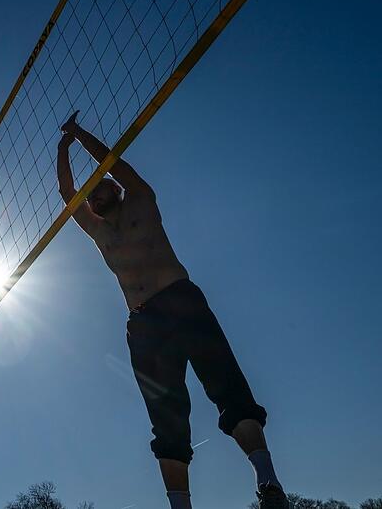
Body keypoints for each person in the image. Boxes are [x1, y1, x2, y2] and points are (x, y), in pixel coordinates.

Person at [55, 111, 287, 508]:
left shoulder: (142, 200)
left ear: (117, 188)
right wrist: (62, 146)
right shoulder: (98, 231)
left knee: (228, 389)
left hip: (180, 300)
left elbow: (114, 163)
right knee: (167, 423)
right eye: (91, 194)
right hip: (143, 324)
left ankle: (269, 486)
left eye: (102, 186)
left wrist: (79, 136)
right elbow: (66, 191)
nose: (95, 194)